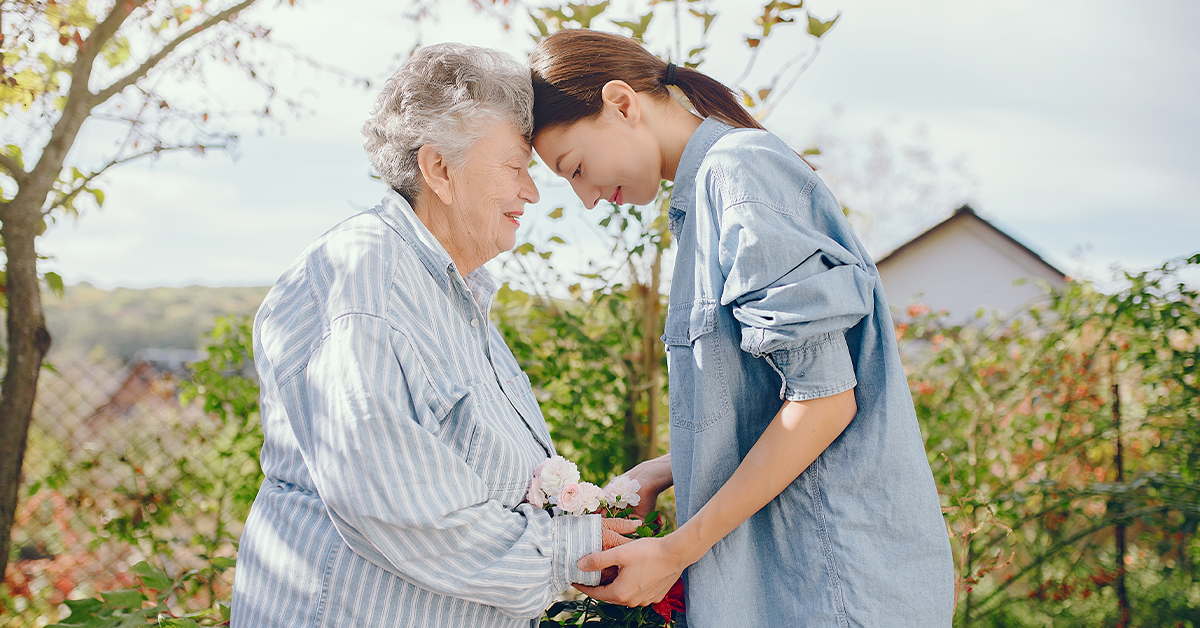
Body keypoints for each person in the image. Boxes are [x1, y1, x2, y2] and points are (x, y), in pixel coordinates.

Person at [529, 29, 955, 627]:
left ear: (622, 104)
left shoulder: (741, 174)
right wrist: (665, 468)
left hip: (831, 583)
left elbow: (824, 403)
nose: (588, 199)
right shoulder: (704, 196)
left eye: (575, 168)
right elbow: (771, 399)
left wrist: (674, 553)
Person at [230, 43, 636, 628]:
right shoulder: (365, 277)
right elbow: (394, 499)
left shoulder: (449, 290)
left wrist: (593, 518)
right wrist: (571, 552)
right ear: (440, 169)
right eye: (515, 166)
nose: (532, 191)